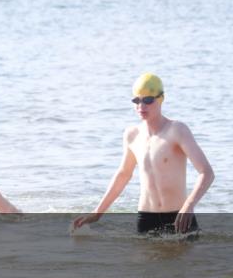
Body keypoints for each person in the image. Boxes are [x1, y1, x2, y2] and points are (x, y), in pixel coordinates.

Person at [72, 73, 214, 235]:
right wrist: (97, 213)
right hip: (146, 218)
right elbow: (123, 175)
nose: (141, 105)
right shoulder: (132, 135)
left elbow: (206, 173)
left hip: (179, 217)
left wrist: (189, 205)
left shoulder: (177, 130)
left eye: (148, 100)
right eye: (137, 100)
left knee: (186, 260)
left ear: (161, 99)